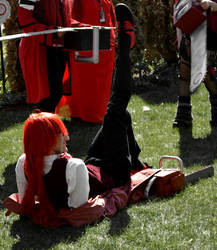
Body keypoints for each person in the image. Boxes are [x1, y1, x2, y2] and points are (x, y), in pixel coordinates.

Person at [15, 4, 143, 225]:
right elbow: (79, 207)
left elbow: (28, 199)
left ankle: (136, 160)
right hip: (113, 171)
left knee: (120, 116)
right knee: (116, 105)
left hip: (93, 166)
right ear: (45, 141)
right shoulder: (70, 167)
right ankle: (124, 48)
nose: (67, 137)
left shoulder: (25, 162)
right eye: (60, 133)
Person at [17, 0, 86, 112]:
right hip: (39, 48)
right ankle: (41, 124)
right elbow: (25, 21)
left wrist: (83, 26)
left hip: (59, 46)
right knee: (49, 94)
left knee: (55, 93)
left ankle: (46, 124)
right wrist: (53, 31)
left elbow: (65, 21)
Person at [55, 0, 117, 123]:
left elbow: (111, 23)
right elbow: (68, 20)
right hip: (84, 47)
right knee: (84, 83)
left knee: (101, 86)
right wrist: (88, 28)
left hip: (105, 48)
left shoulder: (106, 1)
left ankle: (98, 113)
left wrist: (113, 42)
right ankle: (81, 113)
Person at [173, 0, 217, 128]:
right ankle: (183, 116)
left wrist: (212, 5)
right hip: (191, 35)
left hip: (212, 36)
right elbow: (179, 10)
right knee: (185, 71)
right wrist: (180, 40)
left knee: (206, 73)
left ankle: (216, 105)